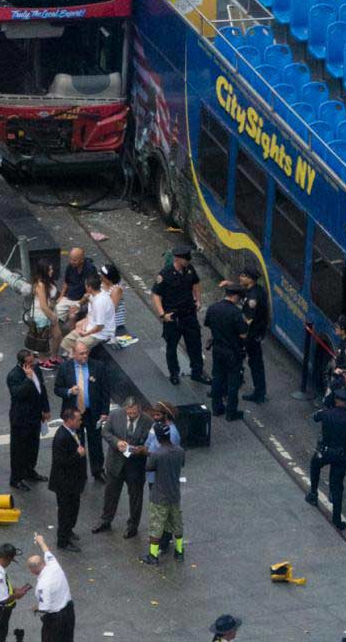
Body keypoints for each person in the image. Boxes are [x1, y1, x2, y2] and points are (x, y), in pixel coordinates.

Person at [92, 396, 151, 537]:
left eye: (134, 413)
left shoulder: (148, 421)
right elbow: (106, 432)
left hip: (135, 465)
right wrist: (117, 442)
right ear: (125, 409)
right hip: (115, 463)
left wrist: (140, 449)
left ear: (139, 409)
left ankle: (133, 525)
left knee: (135, 496)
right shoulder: (115, 415)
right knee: (111, 493)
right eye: (129, 413)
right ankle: (106, 520)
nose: (131, 416)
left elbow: (149, 444)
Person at [151, 242, 207, 386]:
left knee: (194, 345)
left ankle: (197, 372)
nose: (188, 260)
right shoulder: (165, 274)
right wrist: (163, 315)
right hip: (173, 317)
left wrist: (198, 300)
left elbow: (196, 283)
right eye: (185, 258)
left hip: (188, 314)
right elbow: (156, 295)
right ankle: (174, 373)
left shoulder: (189, 269)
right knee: (172, 347)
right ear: (177, 259)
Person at [54, 342, 110, 479]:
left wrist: (104, 411)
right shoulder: (64, 367)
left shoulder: (98, 366)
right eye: (81, 353)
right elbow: (57, 388)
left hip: (93, 412)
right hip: (74, 414)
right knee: (77, 443)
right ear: (73, 353)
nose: (85, 355)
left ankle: (98, 470)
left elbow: (105, 390)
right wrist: (68, 391)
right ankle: (79, 472)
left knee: (95, 442)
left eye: (86, 352)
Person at [306, 388, 346, 531]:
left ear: (336, 400)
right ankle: (337, 518)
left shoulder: (326, 414)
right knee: (337, 486)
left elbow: (315, 417)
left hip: (324, 451)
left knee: (315, 466)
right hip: (341, 454)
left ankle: (313, 493)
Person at [141, 420, 185, 566]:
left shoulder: (157, 454)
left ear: (158, 438)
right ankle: (179, 552)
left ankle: (153, 555)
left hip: (159, 495)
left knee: (156, 526)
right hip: (174, 494)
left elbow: (148, 467)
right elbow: (182, 464)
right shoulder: (179, 451)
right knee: (177, 523)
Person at [6, 350, 50, 493]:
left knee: (33, 446)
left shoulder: (36, 369)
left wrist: (46, 408)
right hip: (21, 418)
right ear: (22, 363)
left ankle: (30, 470)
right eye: (30, 363)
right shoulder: (13, 375)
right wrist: (28, 379)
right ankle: (16, 479)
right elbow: (18, 394)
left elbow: (41, 389)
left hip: (35, 415)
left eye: (33, 361)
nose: (33, 364)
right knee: (19, 449)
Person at [204, 284, 247, 421]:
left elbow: (207, 323)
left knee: (217, 378)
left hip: (217, 349)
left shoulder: (213, 308)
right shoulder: (236, 313)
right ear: (235, 297)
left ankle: (216, 409)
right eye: (239, 298)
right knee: (233, 383)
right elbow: (243, 334)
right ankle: (231, 413)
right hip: (233, 353)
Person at [49, 406, 88, 552]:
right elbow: (61, 461)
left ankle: (69, 530)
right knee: (65, 512)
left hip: (73, 482)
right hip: (65, 483)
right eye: (78, 420)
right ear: (69, 420)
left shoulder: (72, 432)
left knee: (73, 509)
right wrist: (78, 455)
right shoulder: (62, 437)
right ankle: (63, 540)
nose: (80, 422)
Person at [27, 531, 74, 641]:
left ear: (33, 571)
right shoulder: (54, 564)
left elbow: (45, 607)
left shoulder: (42, 585)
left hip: (56, 619)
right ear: (43, 562)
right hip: (69, 611)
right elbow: (47, 552)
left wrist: (36, 607)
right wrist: (41, 541)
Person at [60, 273, 116, 356]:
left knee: (79, 344)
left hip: (101, 334)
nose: (85, 287)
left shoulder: (100, 303)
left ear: (89, 287)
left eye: (85, 285)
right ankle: (71, 354)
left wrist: (85, 333)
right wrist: (84, 324)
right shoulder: (94, 294)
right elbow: (87, 299)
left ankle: (74, 358)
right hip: (90, 327)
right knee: (68, 340)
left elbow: (100, 326)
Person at [235, 267, 269, 403]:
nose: (240, 278)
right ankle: (259, 391)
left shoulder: (252, 298)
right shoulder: (256, 290)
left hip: (251, 334)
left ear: (250, 279)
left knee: (254, 362)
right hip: (256, 333)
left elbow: (248, 320)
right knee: (255, 362)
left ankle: (259, 393)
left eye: (243, 276)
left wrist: (239, 332)